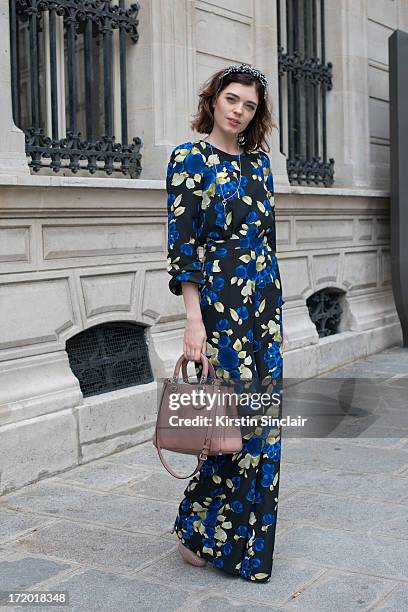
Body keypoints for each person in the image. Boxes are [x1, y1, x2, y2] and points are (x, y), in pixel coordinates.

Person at [165, 63, 287, 583]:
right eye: (232, 100)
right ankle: (198, 532)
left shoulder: (260, 166)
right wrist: (194, 322)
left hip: (263, 310)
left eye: (250, 106)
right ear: (214, 100)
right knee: (225, 425)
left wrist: (277, 310)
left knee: (264, 429)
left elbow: (269, 240)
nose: (239, 111)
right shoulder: (188, 159)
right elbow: (184, 249)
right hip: (219, 311)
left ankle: (247, 549)